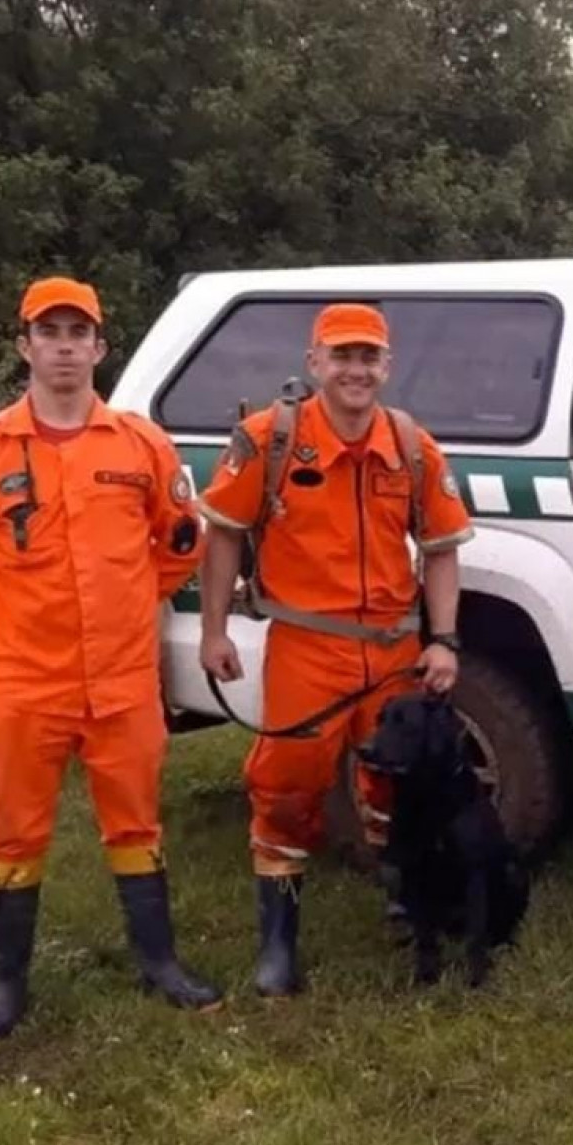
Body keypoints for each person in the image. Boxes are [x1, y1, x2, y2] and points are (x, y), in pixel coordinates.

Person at [0, 276, 222, 1038]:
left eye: (78, 333)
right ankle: (7, 986)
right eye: (48, 332)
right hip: (25, 681)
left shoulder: (141, 445)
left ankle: (160, 963)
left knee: (137, 823)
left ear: (99, 348)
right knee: (14, 828)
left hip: (121, 679)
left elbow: (181, 542)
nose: (64, 347)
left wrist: (129, 597)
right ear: (25, 346)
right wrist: (14, 603)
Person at [195, 302, 474, 995]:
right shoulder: (270, 439)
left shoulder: (412, 446)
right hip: (308, 646)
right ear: (313, 362)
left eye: (368, 357)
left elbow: (440, 550)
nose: (356, 369)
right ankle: (278, 945)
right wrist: (212, 631)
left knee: (397, 783)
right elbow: (224, 533)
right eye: (341, 355)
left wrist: (442, 641)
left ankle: (405, 902)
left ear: (387, 365)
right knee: (286, 786)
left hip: (391, 650)